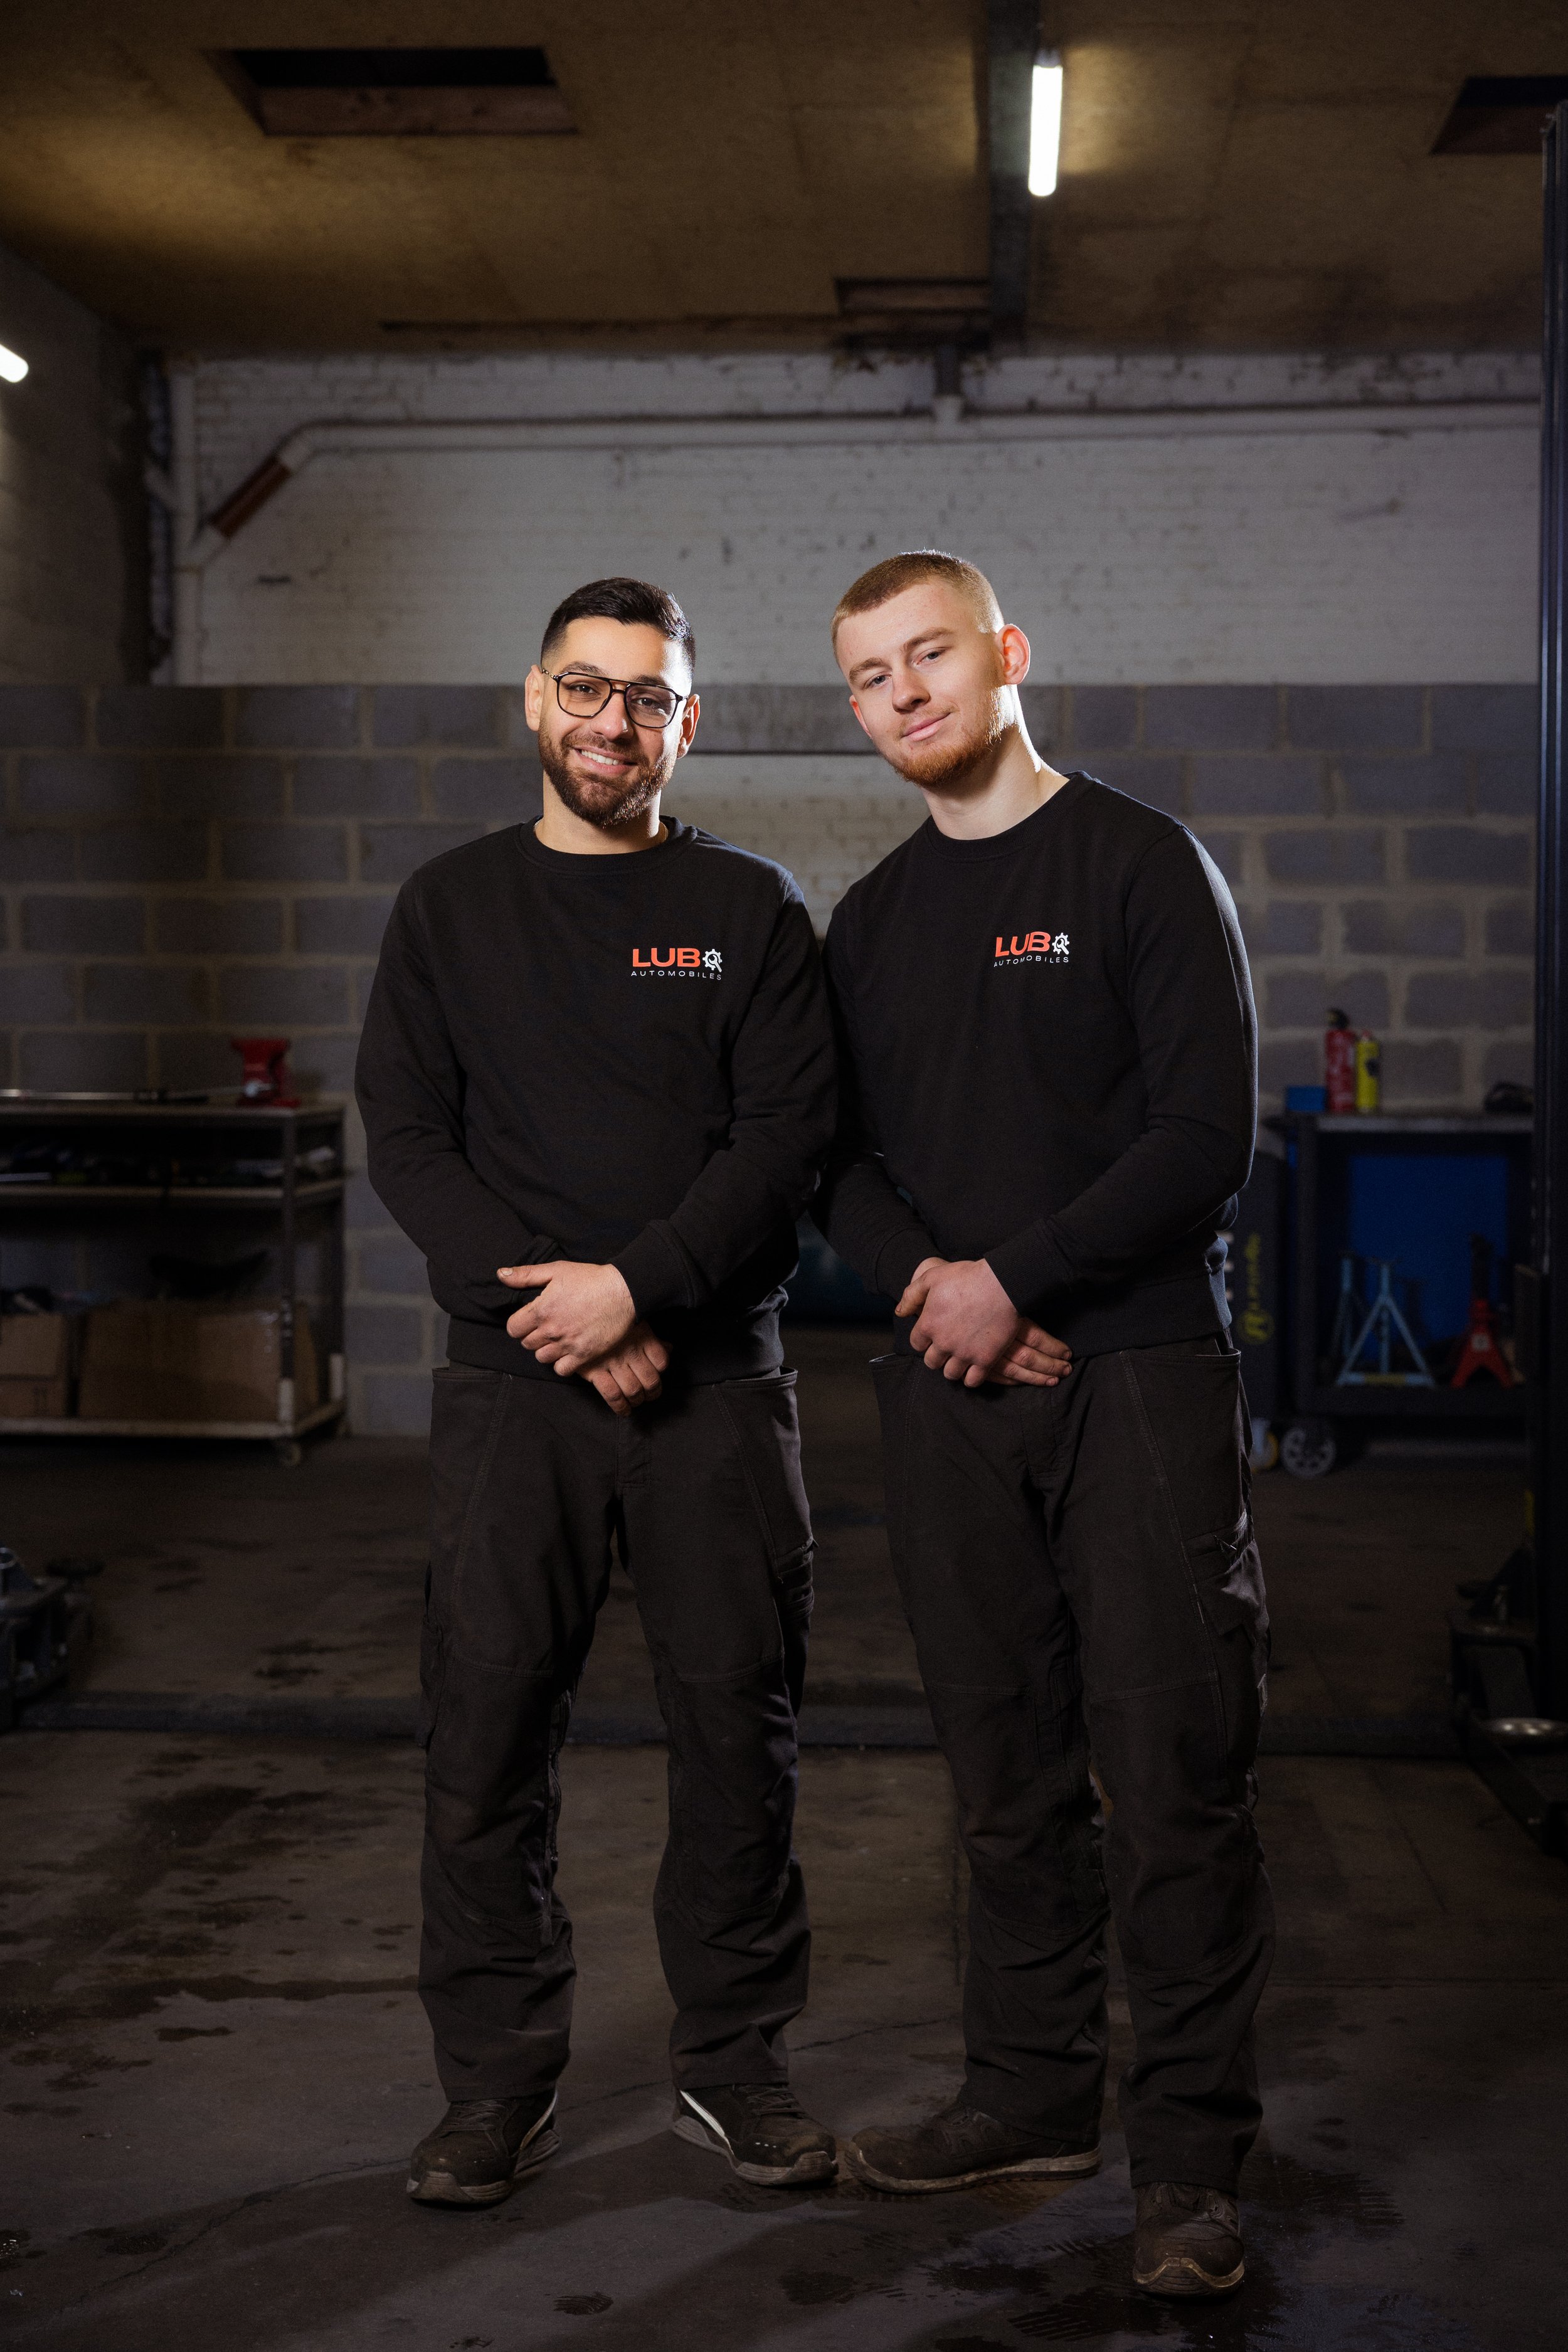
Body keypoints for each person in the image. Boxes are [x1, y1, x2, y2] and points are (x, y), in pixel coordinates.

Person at [817, 551, 1269, 2301]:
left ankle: (1191, 2173)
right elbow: (831, 1162)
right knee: (1002, 1781)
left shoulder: (1137, 863)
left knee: (1173, 1787)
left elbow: (1203, 1135)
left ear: (1004, 654)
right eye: (866, 677)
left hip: (1138, 1380)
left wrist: (1018, 1278)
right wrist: (938, 1290)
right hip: (950, 1390)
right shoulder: (870, 925)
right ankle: (1022, 2100)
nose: (903, 694)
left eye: (927, 655)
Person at [356, 576, 838, 2206]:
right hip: (516, 1402)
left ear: (685, 724)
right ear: (531, 699)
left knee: (737, 1732)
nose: (610, 723)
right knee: (487, 1734)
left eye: (646, 698)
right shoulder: (447, 912)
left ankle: (737, 2064)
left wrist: (638, 1290)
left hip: (715, 1390)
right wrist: (562, 1311)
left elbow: (783, 1145)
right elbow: (410, 1139)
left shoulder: (754, 910)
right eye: (586, 687)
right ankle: (494, 2087)